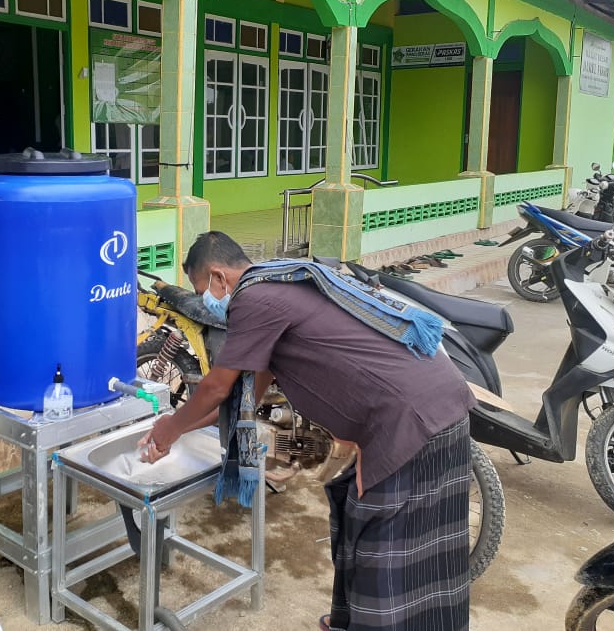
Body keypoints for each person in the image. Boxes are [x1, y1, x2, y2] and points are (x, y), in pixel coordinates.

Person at [140, 231, 476, 630]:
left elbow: (215, 388)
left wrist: (167, 430)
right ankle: (348, 620)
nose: (207, 303)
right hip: (440, 403)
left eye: (202, 292)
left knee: (384, 547)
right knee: (383, 533)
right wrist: (177, 430)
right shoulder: (284, 283)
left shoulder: (253, 298)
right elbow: (233, 402)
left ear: (218, 277)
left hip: (409, 421)